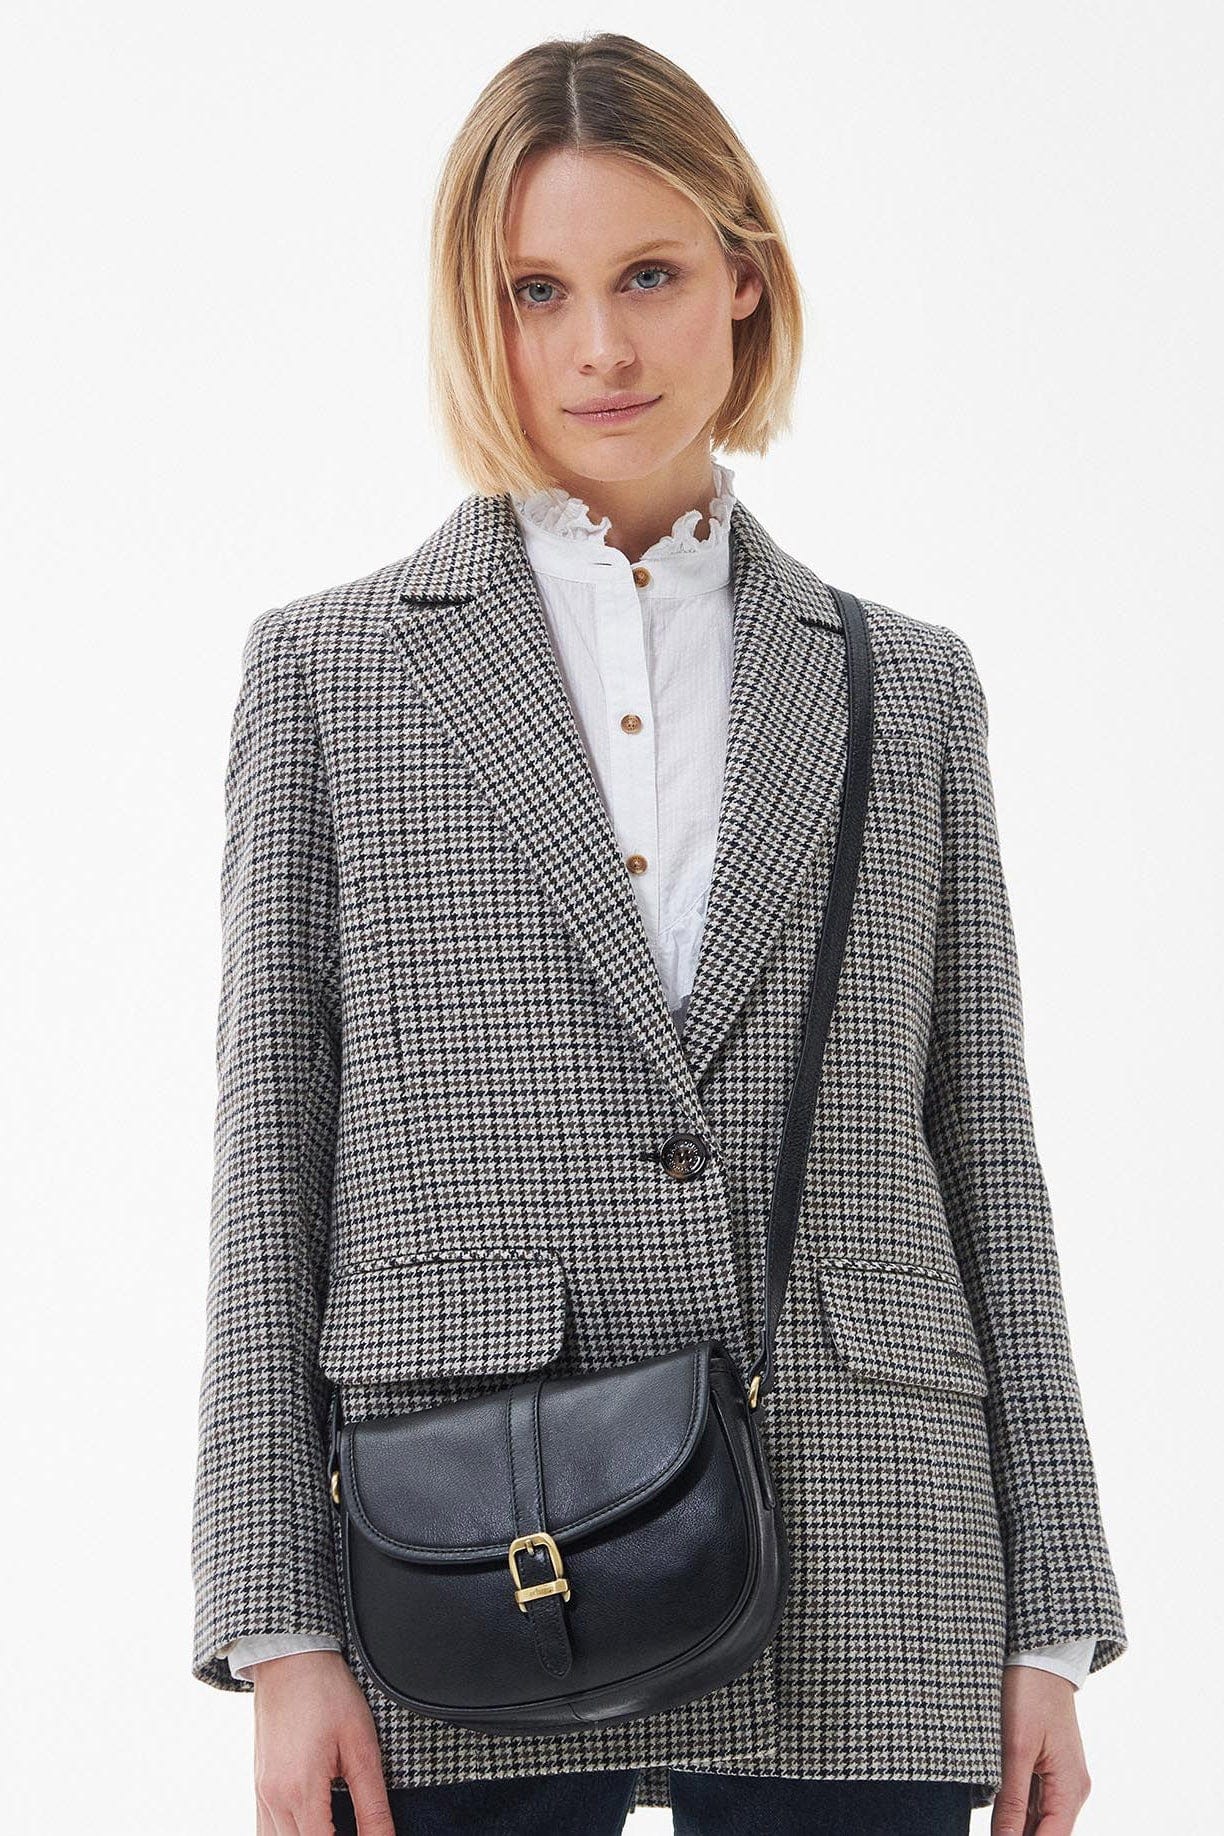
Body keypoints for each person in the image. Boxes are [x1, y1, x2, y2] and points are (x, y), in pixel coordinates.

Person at [190, 31, 1127, 1836]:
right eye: (536, 292)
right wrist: (277, 1625)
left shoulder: (905, 687)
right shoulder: (331, 676)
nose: (600, 350)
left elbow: (984, 1152)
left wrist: (1054, 1617)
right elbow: (271, 1160)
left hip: (873, 1548)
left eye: (649, 276)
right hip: (471, 1549)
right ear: (476, 311)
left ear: (743, 279)